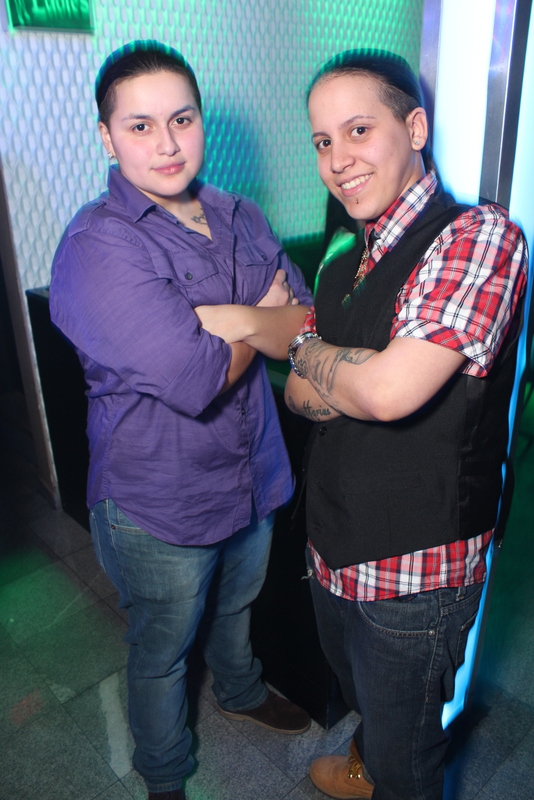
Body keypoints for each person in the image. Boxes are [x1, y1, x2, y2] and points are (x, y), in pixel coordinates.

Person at [49, 40, 313, 800]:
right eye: (140, 126)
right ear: (107, 137)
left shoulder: (239, 213)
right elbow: (193, 378)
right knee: (162, 649)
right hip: (159, 498)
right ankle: (164, 772)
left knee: (237, 605)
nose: (166, 143)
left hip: (254, 471)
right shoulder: (99, 244)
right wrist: (258, 316)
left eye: (182, 119)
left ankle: (240, 689)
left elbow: (300, 318)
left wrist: (225, 321)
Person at [284, 50, 528, 800]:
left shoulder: (479, 235)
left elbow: (388, 392)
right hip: (332, 542)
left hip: (416, 569)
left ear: (415, 128)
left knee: (408, 759)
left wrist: (312, 353)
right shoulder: (341, 254)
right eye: (323, 140)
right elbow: (300, 395)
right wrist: (341, 372)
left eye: (358, 130)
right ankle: (368, 758)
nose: (337, 159)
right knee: (369, 701)